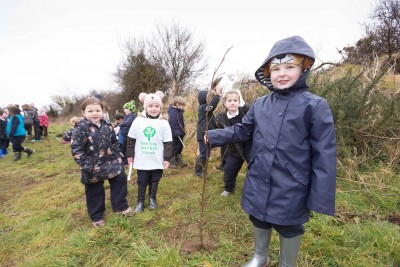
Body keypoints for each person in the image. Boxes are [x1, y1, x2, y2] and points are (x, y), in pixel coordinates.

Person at [206, 36, 337, 267]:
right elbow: (243, 130)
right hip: (259, 174)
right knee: (258, 216)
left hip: (293, 181)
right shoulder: (260, 104)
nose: (282, 73)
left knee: (289, 224)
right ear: (268, 73)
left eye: (290, 67)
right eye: (276, 68)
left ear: (303, 68)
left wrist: (320, 196)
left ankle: (287, 264)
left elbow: (324, 154)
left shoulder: (314, 106)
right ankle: (260, 256)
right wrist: (214, 136)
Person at [70, 97, 134, 227]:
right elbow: (77, 150)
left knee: (120, 181)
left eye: (98, 110)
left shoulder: (107, 125)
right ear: (84, 113)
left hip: (111, 162)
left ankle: (120, 207)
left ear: (102, 111)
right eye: (90, 111)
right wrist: (88, 165)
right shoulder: (81, 129)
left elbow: (115, 142)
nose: (95, 113)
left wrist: (119, 156)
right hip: (92, 166)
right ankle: (97, 216)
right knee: (94, 191)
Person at [126, 91, 172, 213]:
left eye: (157, 106)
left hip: (157, 158)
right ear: (145, 107)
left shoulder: (164, 123)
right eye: (151, 106)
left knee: (155, 179)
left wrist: (167, 158)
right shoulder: (138, 121)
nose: (154, 109)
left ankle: (152, 198)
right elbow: (131, 139)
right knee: (142, 180)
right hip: (142, 158)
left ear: (160, 107)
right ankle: (140, 201)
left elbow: (168, 142)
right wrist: (130, 154)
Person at [215, 90, 251, 196]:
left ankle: (252, 189)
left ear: (239, 102)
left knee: (254, 169)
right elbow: (221, 134)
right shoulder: (221, 118)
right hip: (234, 149)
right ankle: (229, 189)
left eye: (235, 100)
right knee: (229, 170)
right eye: (229, 100)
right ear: (225, 103)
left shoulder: (245, 112)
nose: (232, 102)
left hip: (250, 147)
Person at [194, 77, 223, 177]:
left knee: (206, 154)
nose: (210, 98)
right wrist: (218, 95)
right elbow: (211, 107)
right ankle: (198, 171)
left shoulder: (205, 109)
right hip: (203, 134)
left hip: (207, 134)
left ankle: (201, 170)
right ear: (204, 99)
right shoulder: (203, 108)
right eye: (208, 97)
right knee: (204, 154)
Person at [167, 96, 188, 168]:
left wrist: (182, 131)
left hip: (180, 132)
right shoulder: (173, 111)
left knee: (180, 147)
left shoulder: (179, 111)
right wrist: (176, 132)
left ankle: (179, 160)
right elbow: (173, 123)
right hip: (175, 133)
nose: (182, 107)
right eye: (181, 105)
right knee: (174, 147)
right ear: (177, 104)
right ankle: (171, 161)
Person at [116, 100, 137, 165]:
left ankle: (125, 162)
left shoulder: (132, 116)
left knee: (125, 148)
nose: (124, 110)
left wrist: (119, 125)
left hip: (127, 135)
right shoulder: (128, 116)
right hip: (124, 134)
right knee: (122, 147)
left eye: (125, 108)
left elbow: (127, 122)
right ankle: (123, 160)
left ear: (130, 109)